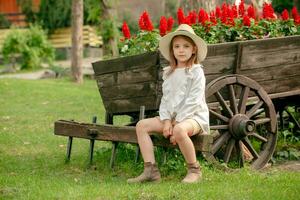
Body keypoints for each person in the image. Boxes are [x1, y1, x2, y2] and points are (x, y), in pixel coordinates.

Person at [127, 24, 209, 184]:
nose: (181, 50)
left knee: (179, 130)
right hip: (170, 119)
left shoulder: (196, 71)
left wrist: (175, 123)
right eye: (177, 46)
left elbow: (193, 101)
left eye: (186, 46)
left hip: (194, 117)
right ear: (172, 50)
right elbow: (166, 100)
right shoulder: (169, 72)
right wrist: (165, 122)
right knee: (141, 125)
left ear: (193, 49)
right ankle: (151, 170)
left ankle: (194, 170)